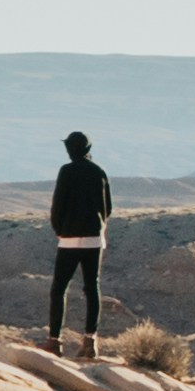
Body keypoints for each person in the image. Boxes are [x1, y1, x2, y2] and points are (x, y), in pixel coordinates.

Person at [44, 128, 111, 345]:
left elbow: (58, 205)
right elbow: (107, 207)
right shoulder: (99, 171)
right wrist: (99, 226)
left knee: (59, 289)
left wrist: (60, 230)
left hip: (69, 239)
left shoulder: (66, 171)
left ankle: (55, 340)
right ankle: (90, 340)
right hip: (94, 238)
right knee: (92, 287)